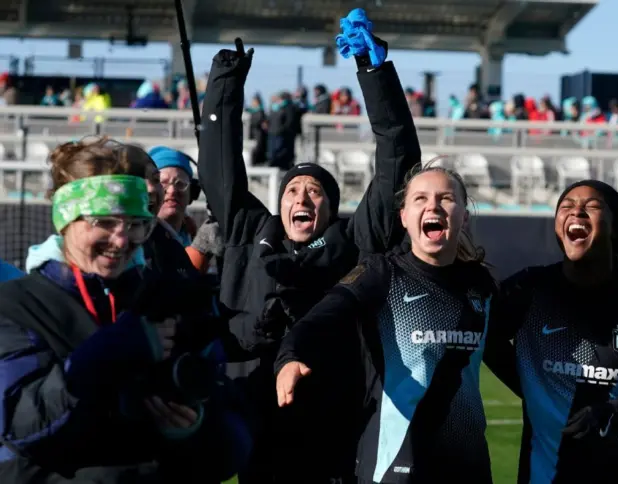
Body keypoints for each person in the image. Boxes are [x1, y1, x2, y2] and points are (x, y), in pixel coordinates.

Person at [197, 21, 420, 482]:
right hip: (255, 417)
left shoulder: (355, 244)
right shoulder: (248, 230)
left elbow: (397, 162)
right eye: (293, 189)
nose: (302, 198)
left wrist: (373, 73)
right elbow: (220, 164)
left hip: (336, 427)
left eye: (315, 191)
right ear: (280, 203)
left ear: (331, 207)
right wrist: (225, 82)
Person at [0, 139, 250, 482]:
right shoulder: (16, 305)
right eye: (104, 221)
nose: (122, 239)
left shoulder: (166, 300)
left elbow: (232, 443)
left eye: (136, 224)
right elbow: (22, 427)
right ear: (66, 218)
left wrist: (194, 427)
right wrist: (107, 353)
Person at [276, 165, 496, 484]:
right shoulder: (382, 273)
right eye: (420, 198)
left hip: (469, 468)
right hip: (396, 467)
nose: (432, 206)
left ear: (464, 216)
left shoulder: (481, 286)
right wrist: (291, 357)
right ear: (404, 216)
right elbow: (322, 318)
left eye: (445, 198)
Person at [489, 180, 618, 484]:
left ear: (616, 227)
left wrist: (613, 411)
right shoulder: (528, 290)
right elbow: (486, 338)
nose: (576, 211)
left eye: (591, 206)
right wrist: (529, 386)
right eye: (566, 206)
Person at [147, 146, 198, 247]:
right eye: (163, 183)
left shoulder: (193, 237)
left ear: (192, 193)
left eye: (180, 184)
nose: (172, 190)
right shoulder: (139, 240)